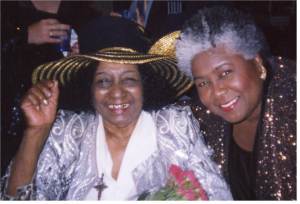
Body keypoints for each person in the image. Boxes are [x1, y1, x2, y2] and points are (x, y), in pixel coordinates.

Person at [1, 16, 232, 200]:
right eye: (103, 80)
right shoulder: (69, 131)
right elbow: (16, 199)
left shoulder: (175, 125)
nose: (116, 91)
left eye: (129, 79)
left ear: (145, 84)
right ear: (88, 87)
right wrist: (35, 132)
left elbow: (216, 195)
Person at [175, 6, 296, 200]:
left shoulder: (292, 105)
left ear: (257, 64)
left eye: (225, 73)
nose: (217, 91)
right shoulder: (203, 119)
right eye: (203, 83)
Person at [1, 0, 100, 174]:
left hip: (67, 124)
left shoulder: (85, 14)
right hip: (10, 119)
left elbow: (103, 77)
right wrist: (25, 35)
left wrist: (88, 55)